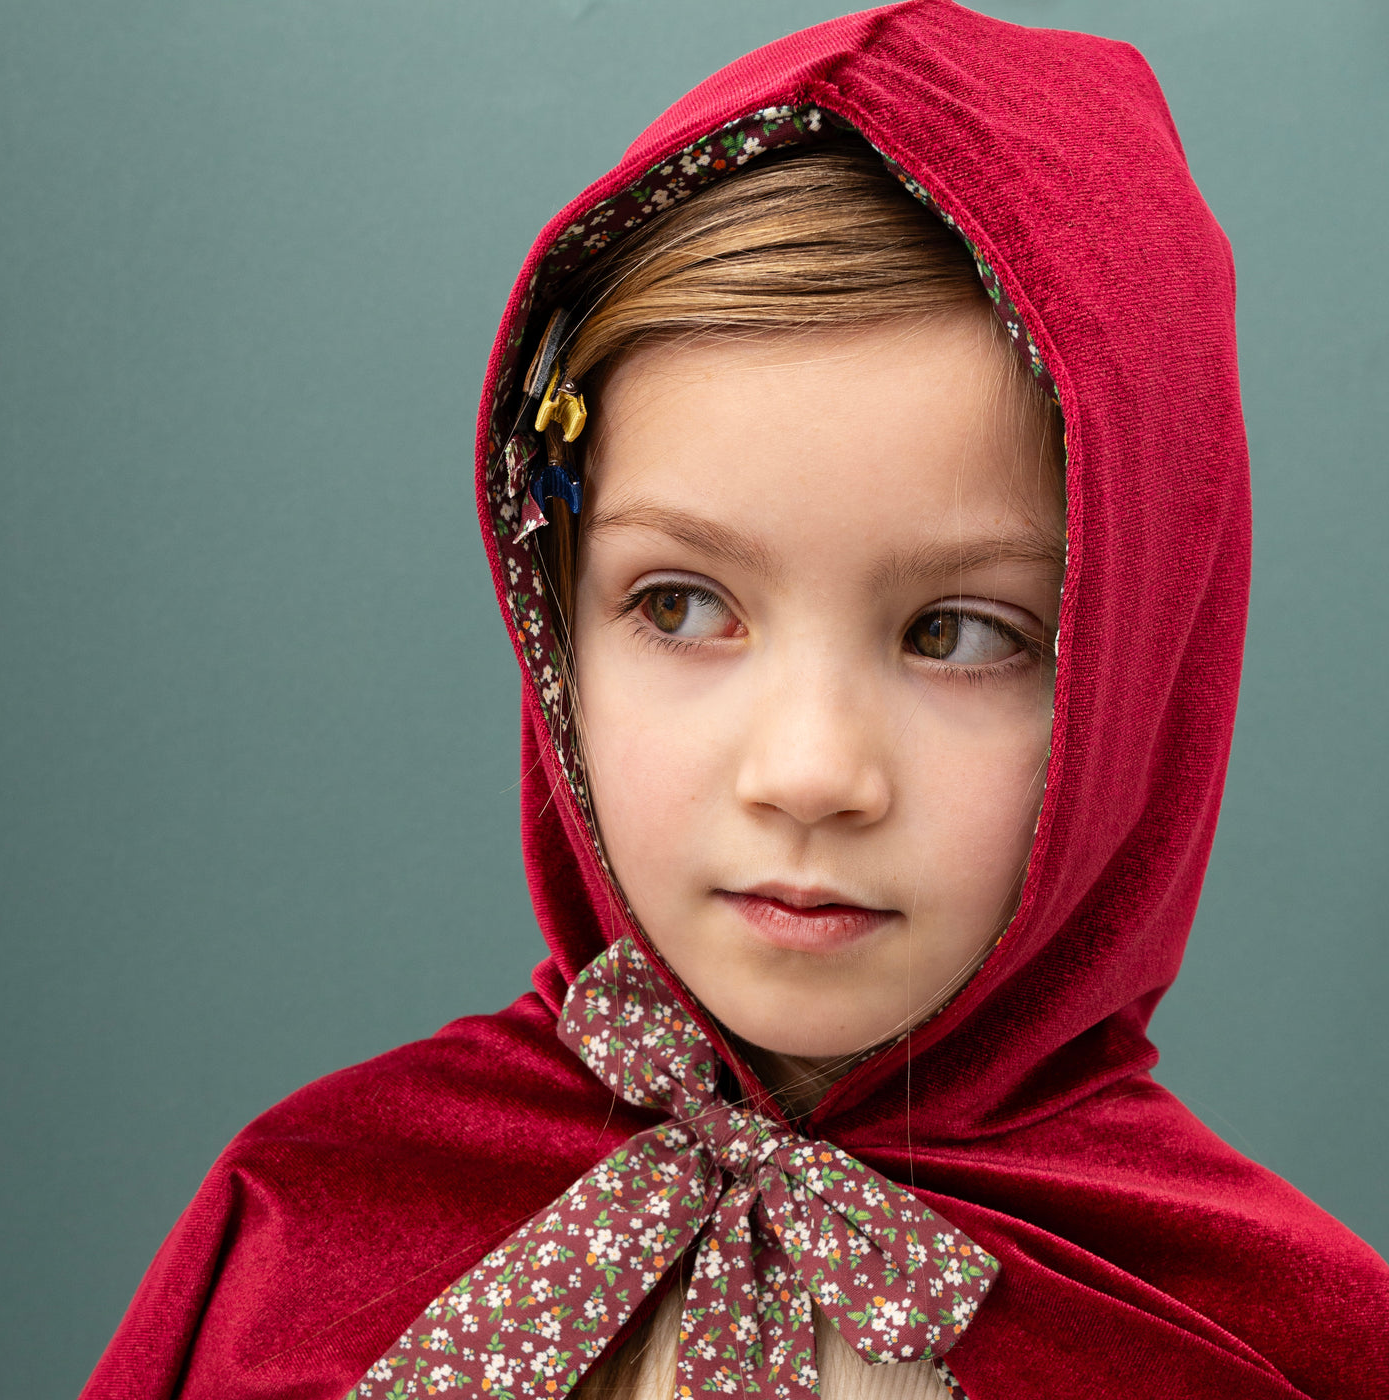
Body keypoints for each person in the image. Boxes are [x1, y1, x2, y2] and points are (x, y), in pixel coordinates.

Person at [82, 3, 1389, 1397]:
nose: (811, 769)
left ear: (1143, 671)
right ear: (553, 616)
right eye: (681, 606)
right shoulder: (301, 1233)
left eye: (958, 633)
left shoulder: (1270, 1349)